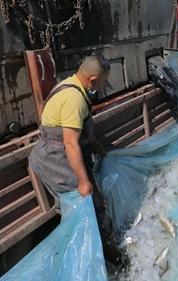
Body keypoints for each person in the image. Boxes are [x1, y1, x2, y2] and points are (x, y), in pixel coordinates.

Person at [28, 55, 122, 264]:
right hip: (57, 161)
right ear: (93, 80)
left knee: (81, 210)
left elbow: (78, 132)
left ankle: (91, 254)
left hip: (53, 154)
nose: (104, 85)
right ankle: (99, 262)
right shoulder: (75, 99)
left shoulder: (68, 84)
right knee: (86, 209)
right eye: (104, 81)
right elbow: (70, 143)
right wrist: (83, 181)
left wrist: (99, 149)